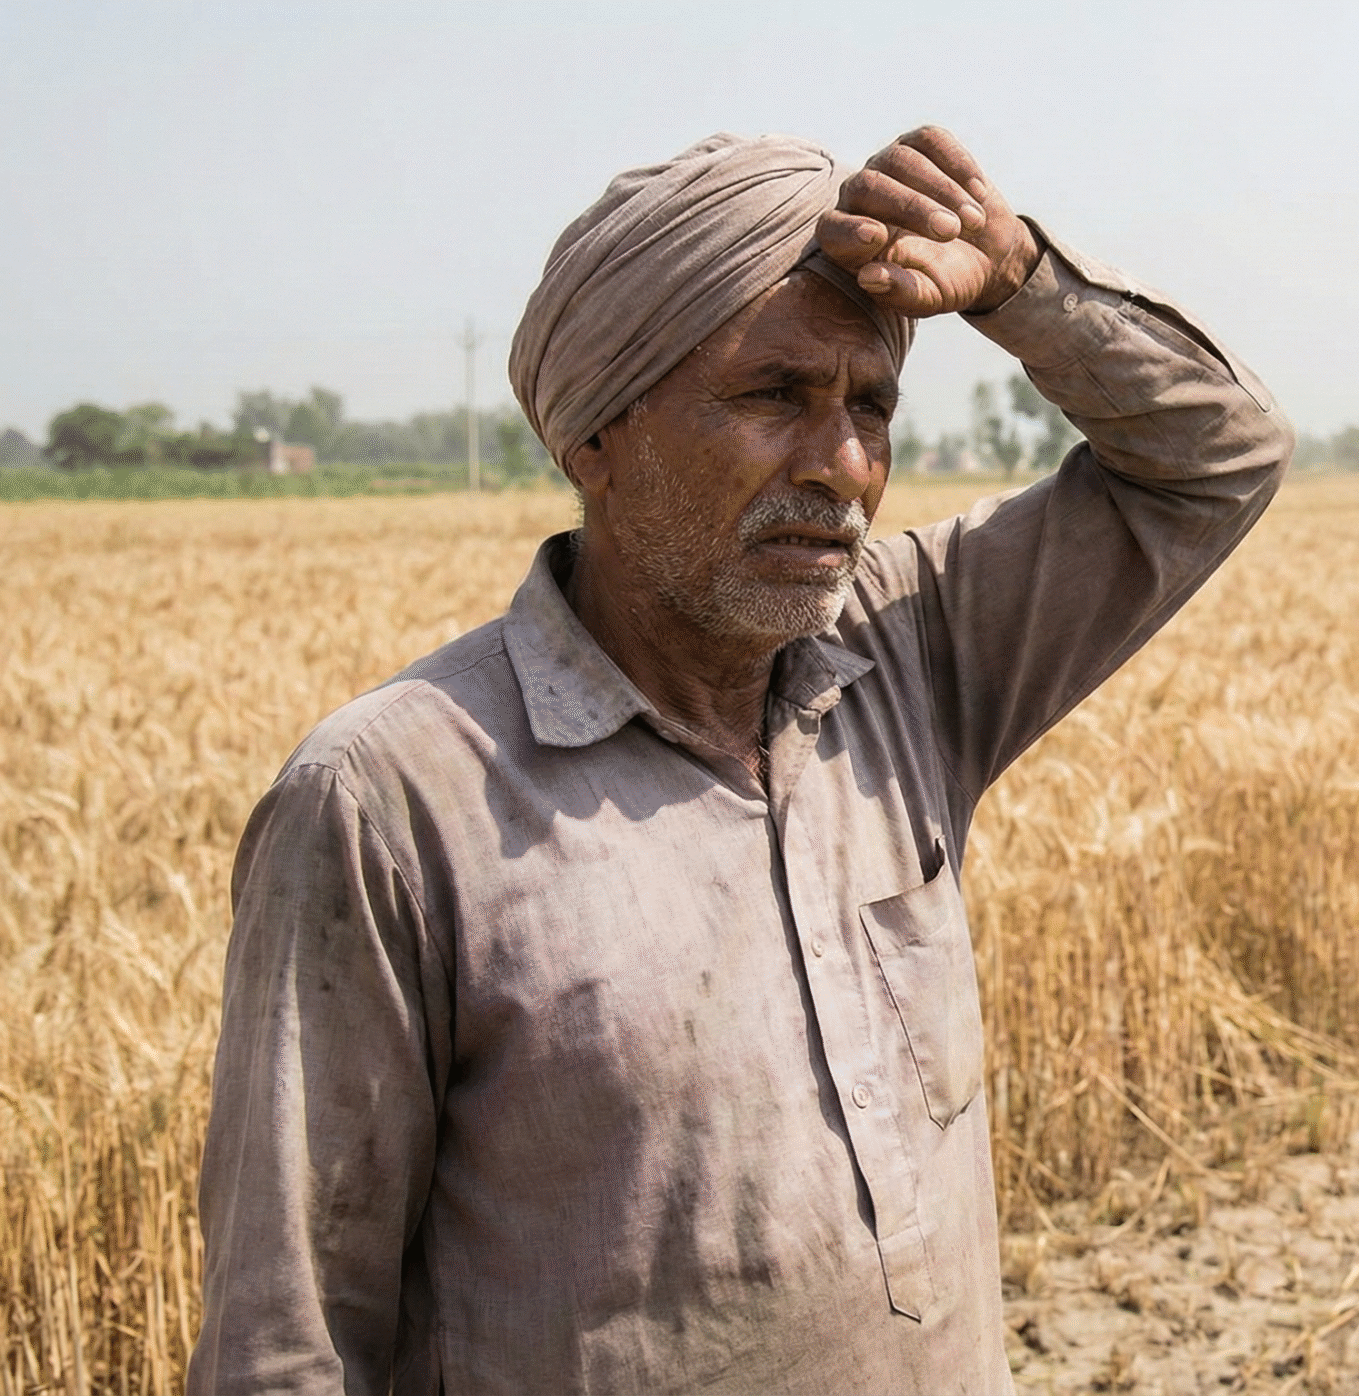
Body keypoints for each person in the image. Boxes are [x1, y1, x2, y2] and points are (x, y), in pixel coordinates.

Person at [190, 126, 1289, 1394]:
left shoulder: (909, 656)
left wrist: (1021, 282)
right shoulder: (391, 801)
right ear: (594, 435)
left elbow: (1217, 460)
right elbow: (290, 1336)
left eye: (868, 405)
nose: (841, 466)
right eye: (774, 397)